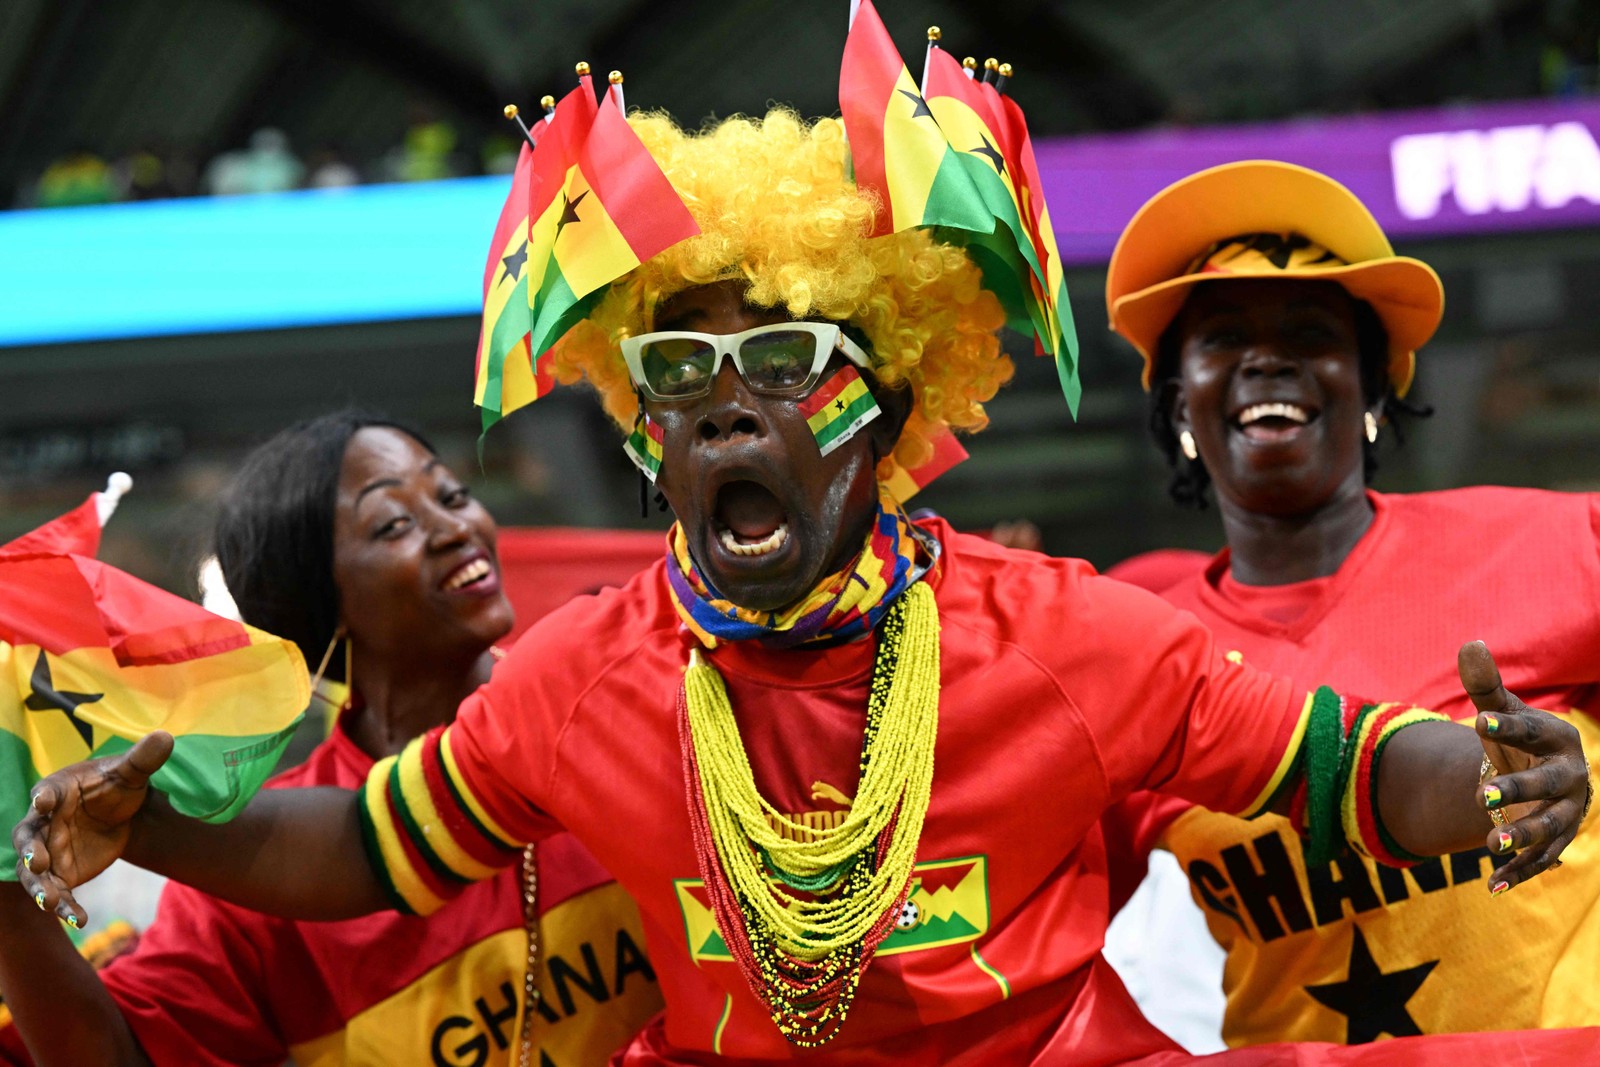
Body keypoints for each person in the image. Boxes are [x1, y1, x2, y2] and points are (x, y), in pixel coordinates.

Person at [12, 114, 1594, 1066]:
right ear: (649, 436)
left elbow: (1345, 767)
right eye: (681, 373)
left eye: (781, 363)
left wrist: (1497, 775)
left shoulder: (1068, 634)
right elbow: (362, 842)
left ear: (884, 409)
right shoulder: (588, 671)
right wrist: (146, 818)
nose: (725, 404)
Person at [1099, 160, 1600, 1046]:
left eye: (1309, 329)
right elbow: (1029, 922)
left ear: (1373, 388)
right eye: (1220, 338)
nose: (1267, 356)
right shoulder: (1131, 637)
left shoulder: (1560, 542)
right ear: (1182, 405)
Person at [0, 412, 662, 1066]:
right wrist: (7, 885)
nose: (456, 527)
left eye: (452, 494)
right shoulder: (248, 869)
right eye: (394, 525)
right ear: (316, 603)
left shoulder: (609, 699)